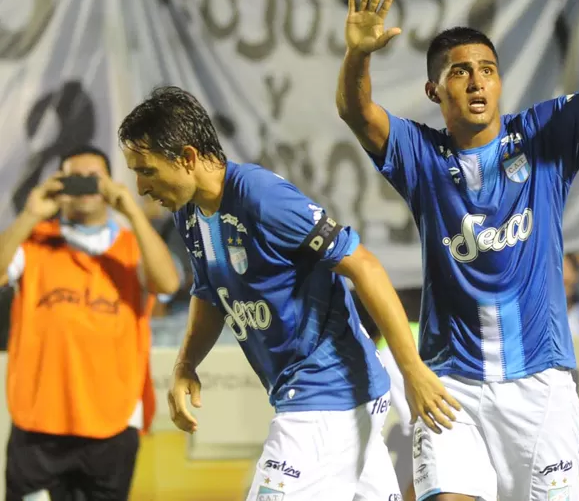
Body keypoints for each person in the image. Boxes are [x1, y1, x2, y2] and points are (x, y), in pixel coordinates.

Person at [336, 0, 579, 500]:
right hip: (451, 382)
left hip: (539, 383)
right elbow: (356, 112)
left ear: (500, 82)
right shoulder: (419, 155)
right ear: (434, 89)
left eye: (487, 69)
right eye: (460, 71)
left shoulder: (545, 135)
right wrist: (358, 53)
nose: (476, 81)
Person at [117, 86, 459, 501]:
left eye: (147, 170)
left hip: (327, 393)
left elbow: (363, 264)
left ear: (188, 158)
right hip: (326, 398)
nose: (139, 187)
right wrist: (186, 363)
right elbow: (210, 292)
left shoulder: (262, 199)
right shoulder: (190, 214)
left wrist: (413, 371)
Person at [0, 146, 180, 500]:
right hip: (39, 421)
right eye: (73, 177)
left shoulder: (132, 247)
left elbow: (168, 284)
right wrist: (30, 216)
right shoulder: (34, 243)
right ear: (58, 184)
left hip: (112, 420)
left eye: (92, 178)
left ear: (110, 184)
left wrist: (132, 211)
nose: (83, 186)